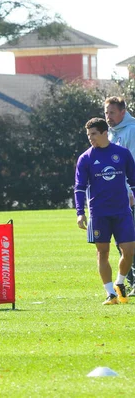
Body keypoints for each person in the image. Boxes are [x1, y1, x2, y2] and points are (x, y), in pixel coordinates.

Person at [75, 117, 135, 305]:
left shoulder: (122, 154)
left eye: (93, 134)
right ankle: (110, 293)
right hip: (98, 213)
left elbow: (133, 181)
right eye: (88, 135)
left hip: (122, 211)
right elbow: (79, 187)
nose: (90, 138)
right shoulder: (85, 158)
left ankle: (119, 282)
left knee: (129, 251)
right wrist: (80, 212)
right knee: (103, 252)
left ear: (104, 133)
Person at [105, 96, 135, 295]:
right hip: (115, 197)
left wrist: (131, 191)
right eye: (106, 113)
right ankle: (131, 281)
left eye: (112, 113)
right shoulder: (110, 133)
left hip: (129, 195)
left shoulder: (132, 130)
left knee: (130, 240)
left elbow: (131, 164)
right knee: (121, 241)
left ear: (123, 113)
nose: (108, 117)